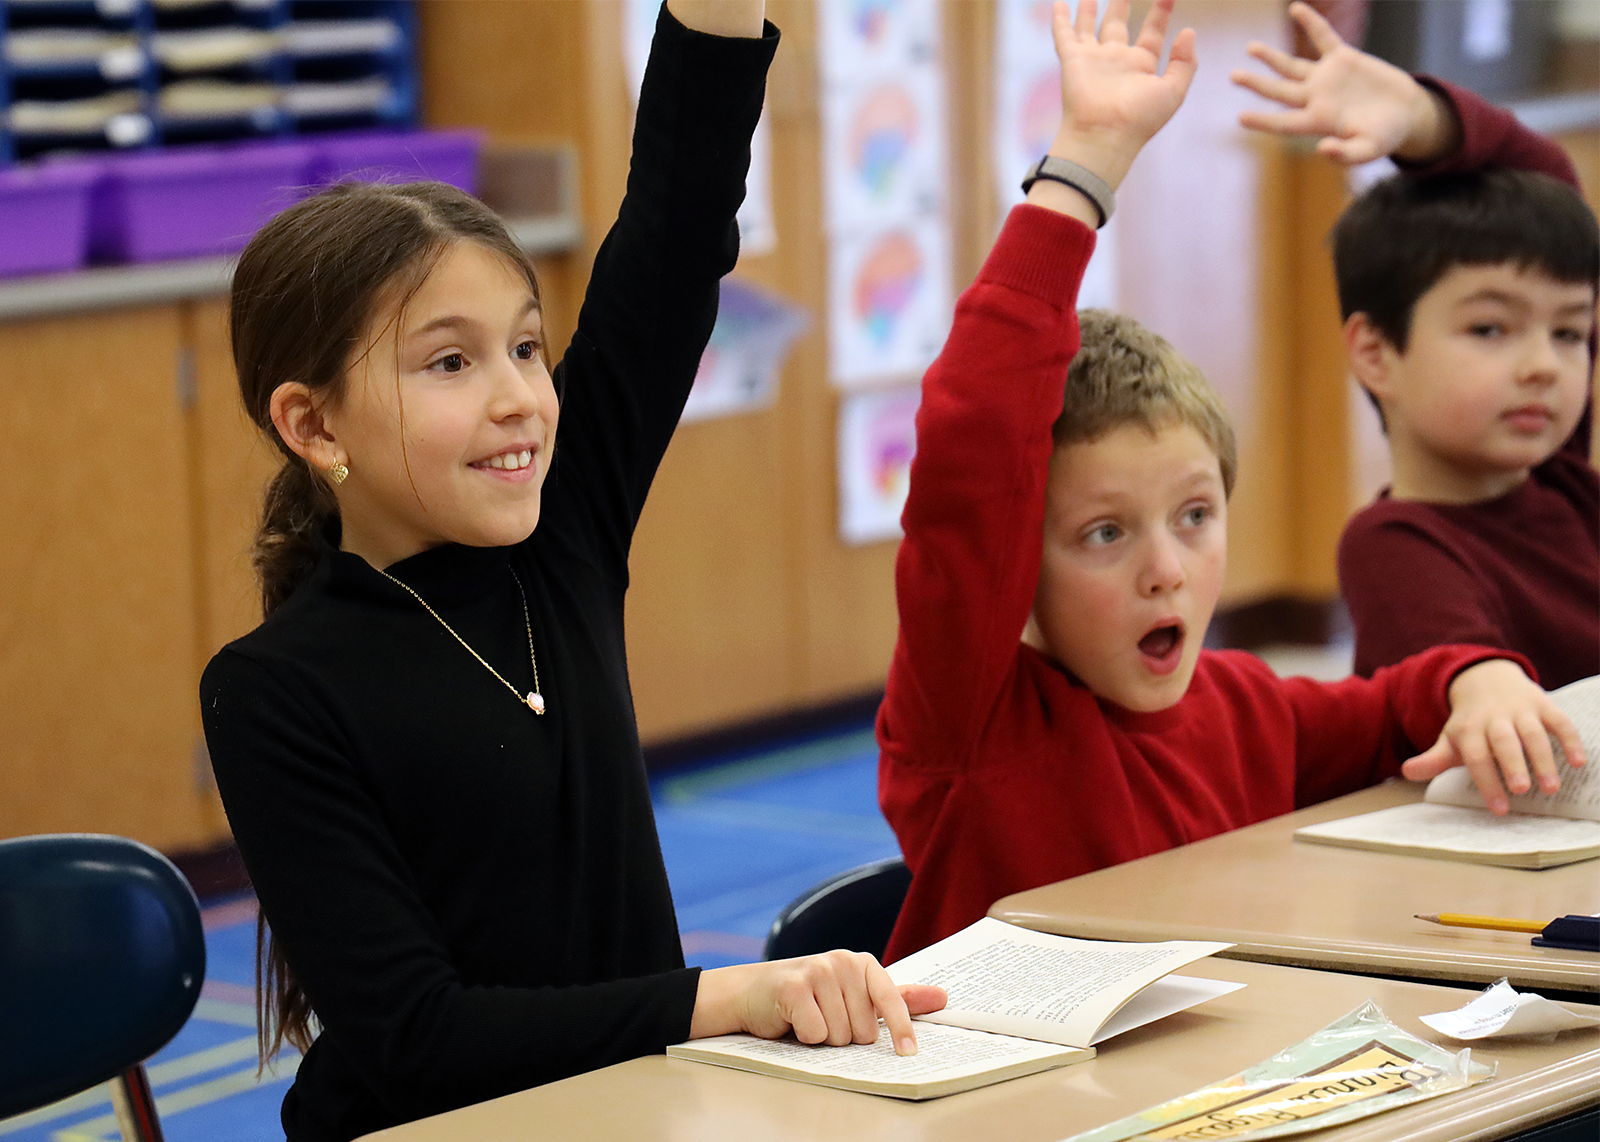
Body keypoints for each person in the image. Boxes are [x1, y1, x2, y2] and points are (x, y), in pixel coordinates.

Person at [200, 3, 943, 1139]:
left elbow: (677, 228)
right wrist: (731, 995)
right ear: (312, 423)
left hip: (635, 1105)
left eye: (527, 346)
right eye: (450, 360)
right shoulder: (272, 690)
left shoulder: (564, 535)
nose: (518, 397)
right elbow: (420, 1040)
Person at [876, 0, 1586, 963]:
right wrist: (1083, 167)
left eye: (1195, 517)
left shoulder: (1253, 710)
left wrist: (1477, 678)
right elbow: (973, 446)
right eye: (1104, 534)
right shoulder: (975, 729)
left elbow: (1395, 704)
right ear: (1017, 564)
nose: (1167, 569)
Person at [1232, 1, 1600, 688]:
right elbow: (1475, 685)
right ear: (1375, 352)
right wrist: (1486, 693)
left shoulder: (1567, 484)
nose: (1542, 367)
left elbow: (1549, 186)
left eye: (1570, 332)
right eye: (1490, 329)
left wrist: (1421, 114)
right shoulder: (1396, 548)